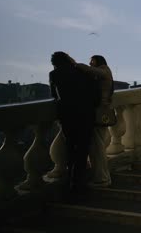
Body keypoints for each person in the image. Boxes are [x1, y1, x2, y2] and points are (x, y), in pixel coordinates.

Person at [49, 51, 98, 195]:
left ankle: (71, 184)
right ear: (68, 59)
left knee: (71, 148)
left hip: (67, 116)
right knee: (82, 150)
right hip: (86, 115)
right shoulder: (82, 72)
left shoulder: (54, 74)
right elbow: (95, 94)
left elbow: (54, 95)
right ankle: (78, 185)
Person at [75, 55, 114, 188]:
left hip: (99, 113)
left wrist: (75, 64)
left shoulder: (104, 69)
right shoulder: (103, 73)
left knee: (97, 147)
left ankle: (101, 179)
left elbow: (91, 71)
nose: (90, 63)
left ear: (99, 61)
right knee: (98, 146)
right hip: (100, 112)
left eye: (92, 61)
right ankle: (103, 177)